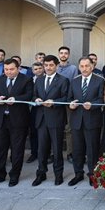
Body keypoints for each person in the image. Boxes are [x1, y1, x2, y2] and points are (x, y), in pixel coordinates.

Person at [0, 58, 34, 187]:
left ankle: (14, 175)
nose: (9, 72)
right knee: (0, 149)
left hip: (18, 120)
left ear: (18, 68)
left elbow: (29, 95)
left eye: (11, 69)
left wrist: (16, 99)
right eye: (6, 69)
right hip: (1, 120)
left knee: (17, 150)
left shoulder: (26, 79)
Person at [32, 55, 70, 186]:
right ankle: (41, 174)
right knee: (41, 149)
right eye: (46, 65)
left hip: (56, 118)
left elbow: (66, 98)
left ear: (56, 66)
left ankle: (58, 175)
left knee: (57, 149)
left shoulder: (63, 80)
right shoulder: (39, 80)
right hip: (41, 119)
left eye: (51, 65)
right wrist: (35, 99)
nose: (48, 68)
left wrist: (54, 102)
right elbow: (34, 95)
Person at [68, 56, 105, 186]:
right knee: (77, 150)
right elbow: (69, 98)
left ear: (92, 66)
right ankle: (78, 173)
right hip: (76, 120)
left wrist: (93, 105)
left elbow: (102, 99)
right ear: (79, 67)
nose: (84, 69)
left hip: (92, 120)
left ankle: (92, 174)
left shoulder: (100, 80)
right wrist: (70, 105)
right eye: (82, 66)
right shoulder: (74, 81)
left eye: (87, 66)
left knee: (92, 149)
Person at [26, 62, 45, 163]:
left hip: (45, 109)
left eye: (40, 68)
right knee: (33, 131)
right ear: (32, 71)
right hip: (32, 109)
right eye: (36, 69)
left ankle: (45, 153)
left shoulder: (47, 79)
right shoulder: (29, 80)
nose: (38, 70)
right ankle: (34, 153)